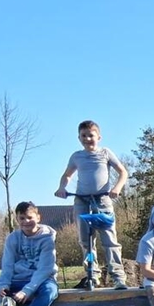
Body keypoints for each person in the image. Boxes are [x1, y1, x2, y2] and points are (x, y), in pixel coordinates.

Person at [55, 120, 129, 288]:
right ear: (79, 137)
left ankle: (118, 277)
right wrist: (61, 188)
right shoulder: (76, 156)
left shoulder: (105, 153)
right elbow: (67, 175)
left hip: (102, 201)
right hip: (82, 201)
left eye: (91, 135)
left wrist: (117, 188)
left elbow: (123, 172)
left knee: (109, 240)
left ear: (99, 137)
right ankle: (92, 274)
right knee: (86, 242)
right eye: (84, 136)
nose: (88, 139)